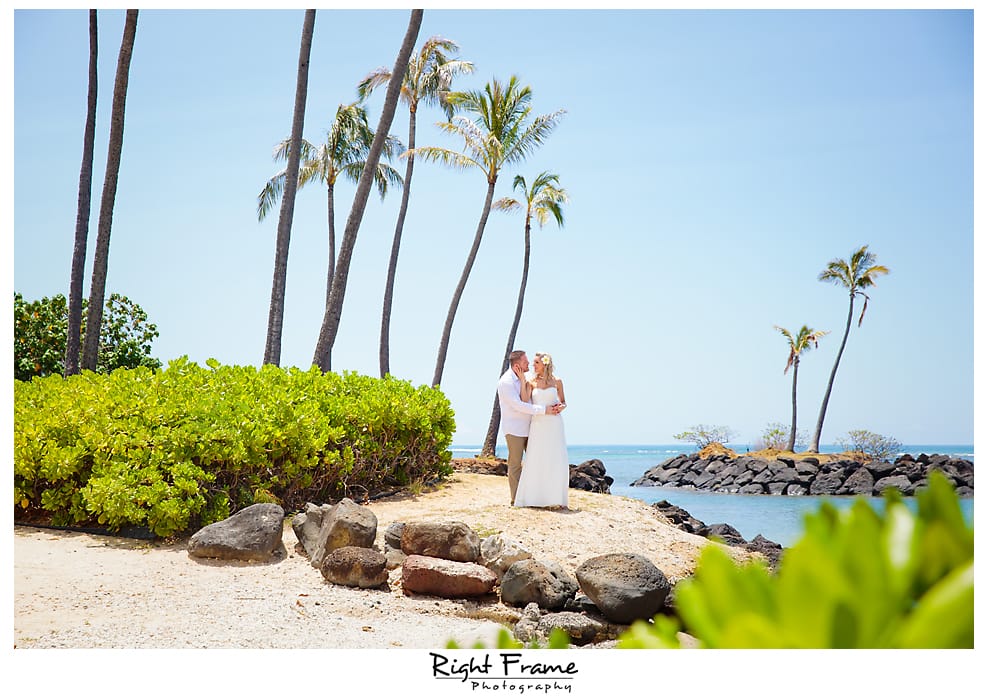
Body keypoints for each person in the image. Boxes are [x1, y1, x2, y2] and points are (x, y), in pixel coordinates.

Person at [497, 350, 563, 504]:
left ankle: (538, 496)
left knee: (537, 461)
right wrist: (545, 410)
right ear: (517, 365)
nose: (530, 365)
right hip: (515, 429)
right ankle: (516, 499)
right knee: (515, 464)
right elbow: (519, 405)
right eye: (526, 362)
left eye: (532, 362)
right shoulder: (506, 382)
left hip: (534, 427)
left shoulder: (525, 378)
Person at [513, 352, 570, 509]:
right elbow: (524, 401)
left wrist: (562, 407)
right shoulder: (531, 382)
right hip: (538, 424)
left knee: (555, 458)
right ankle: (534, 498)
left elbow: (564, 401)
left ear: (544, 364)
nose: (533, 365)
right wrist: (523, 380)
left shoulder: (557, 381)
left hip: (554, 424)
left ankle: (555, 498)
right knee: (536, 457)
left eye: (536, 362)